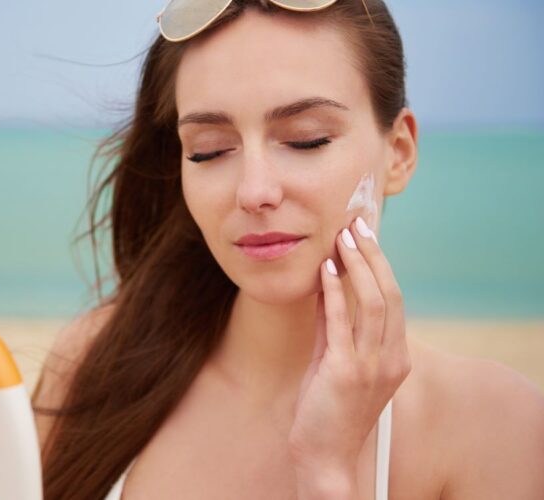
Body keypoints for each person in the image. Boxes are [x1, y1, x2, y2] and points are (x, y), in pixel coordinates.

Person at [31, 1, 544, 498]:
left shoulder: (496, 430)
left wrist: (328, 472)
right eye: (209, 150)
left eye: (306, 140)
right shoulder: (94, 363)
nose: (254, 191)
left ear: (399, 153)